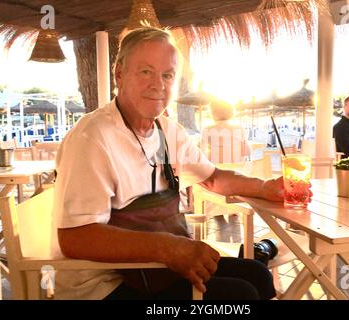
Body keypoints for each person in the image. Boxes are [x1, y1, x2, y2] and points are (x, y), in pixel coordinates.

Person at [53, 27, 285, 300]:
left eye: (167, 75)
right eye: (145, 72)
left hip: (158, 271)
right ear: (119, 73)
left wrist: (266, 187)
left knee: (257, 274)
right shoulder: (92, 136)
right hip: (103, 286)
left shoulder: (168, 130)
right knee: (239, 296)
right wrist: (167, 247)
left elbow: (212, 178)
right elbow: (75, 238)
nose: (158, 85)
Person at [201, 98, 250, 164]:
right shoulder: (239, 129)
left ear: (213, 113)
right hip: (235, 167)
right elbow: (247, 152)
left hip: (215, 167)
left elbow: (201, 151)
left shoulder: (207, 129)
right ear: (231, 112)